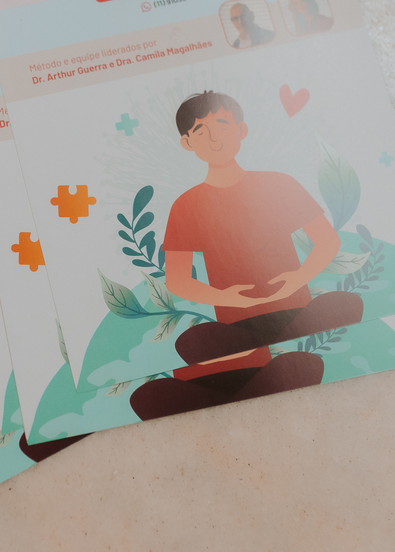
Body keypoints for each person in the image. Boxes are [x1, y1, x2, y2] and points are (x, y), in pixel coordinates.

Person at [128, 91, 363, 421]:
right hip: (238, 326)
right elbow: (178, 280)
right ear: (187, 143)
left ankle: (252, 380)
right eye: (201, 131)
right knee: (195, 341)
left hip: (296, 312)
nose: (214, 138)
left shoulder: (278, 184)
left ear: (241, 130)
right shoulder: (186, 205)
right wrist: (226, 298)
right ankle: (270, 377)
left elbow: (327, 242)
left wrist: (298, 278)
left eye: (222, 126)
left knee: (346, 304)